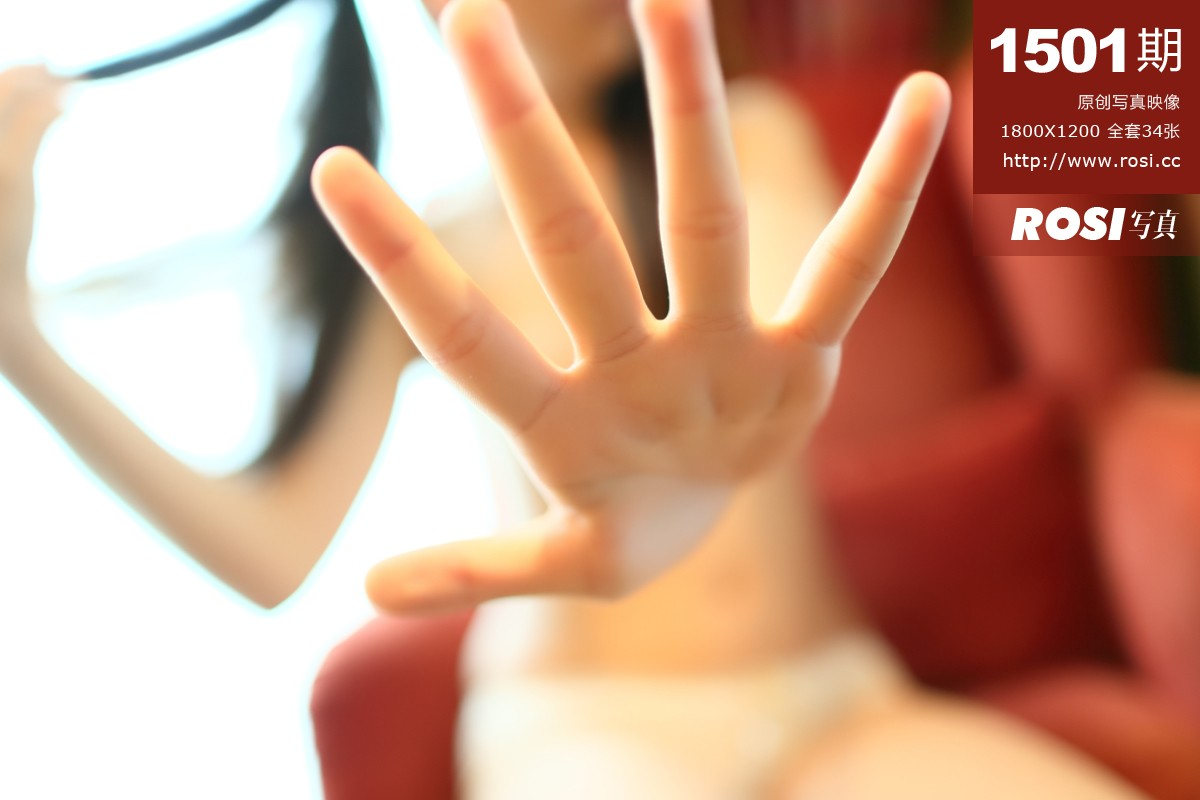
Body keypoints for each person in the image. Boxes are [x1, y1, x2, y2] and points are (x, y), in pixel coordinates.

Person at [0, 0, 1147, 796]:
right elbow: (270, 552)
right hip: (593, 725)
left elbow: (767, 368)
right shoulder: (437, 248)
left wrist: (715, 471)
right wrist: (19, 336)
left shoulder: (760, 142)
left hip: (839, 689)